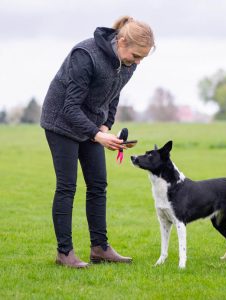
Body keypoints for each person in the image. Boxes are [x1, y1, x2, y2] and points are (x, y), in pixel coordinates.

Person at [40, 16, 155, 268]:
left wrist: (106, 126)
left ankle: (100, 248)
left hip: (91, 123)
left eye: (142, 59)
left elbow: (113, 94)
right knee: (67, 186)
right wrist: (97, 134)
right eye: (136, 56)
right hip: (61, 122)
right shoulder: (85, 55)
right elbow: (70, 106)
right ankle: (64, 253)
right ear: (121, 41)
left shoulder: (128, 63)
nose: (137, 62)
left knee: (98, 185)